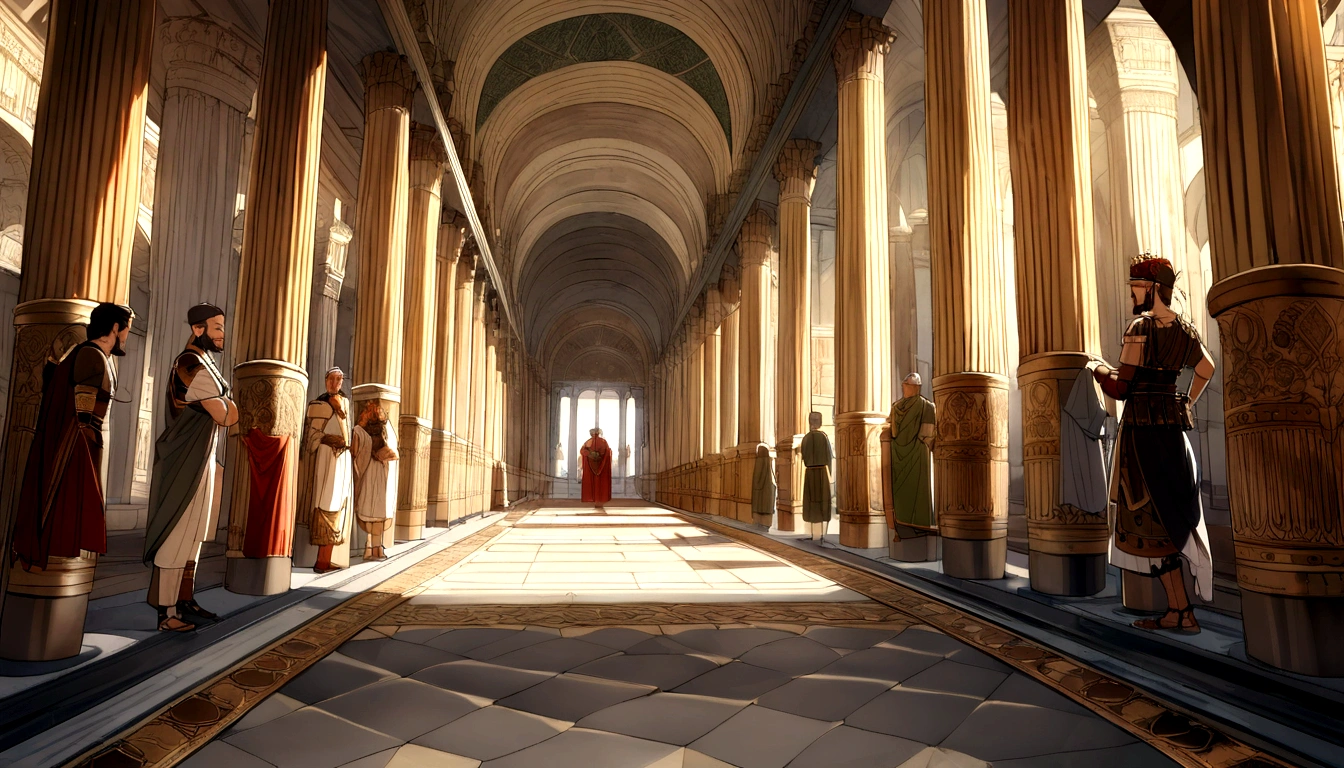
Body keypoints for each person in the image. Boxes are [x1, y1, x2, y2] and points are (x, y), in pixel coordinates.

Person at [1088, 252, 1215, 634]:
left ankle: (1181, 612)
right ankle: (1181, 611)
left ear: (1154, 290)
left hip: (1143, 436)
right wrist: (1186, 401)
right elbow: (1206, 368)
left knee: (1151, 524)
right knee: (1169, 520)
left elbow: (1122, 387)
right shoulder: (1186, 330)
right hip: (1171, 435)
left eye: (1136, 290)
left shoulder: (1140, 328)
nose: (1132, 298)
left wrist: (1097, 369)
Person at [12, 303, 134, 571]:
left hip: (90, 436)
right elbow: (82, 415)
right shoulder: (91, 355)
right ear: (115, 327)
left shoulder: (100, 356)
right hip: (80, 439)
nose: (126, 337)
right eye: (126, 330)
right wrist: (87, 446)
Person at [145, 304, 237, 632]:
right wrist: (227, 405)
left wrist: (224, 405)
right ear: (198, 330)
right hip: (185, 460)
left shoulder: (206, 363)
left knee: (195, 534)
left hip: (203, 458)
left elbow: (223, 408)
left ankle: (184, 600)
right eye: (216, 328)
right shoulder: (190, 363)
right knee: (177, 534)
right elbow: (227, 415)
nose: (222, 334)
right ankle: (167, 612)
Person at [301, 368, 353, 573]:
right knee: (325, 503)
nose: (335, 383)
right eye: (332, 379)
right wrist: (326, 438)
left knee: (339, 505)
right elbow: (311, 434)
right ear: (325, 381)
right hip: (326, 458)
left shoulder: (345, 402)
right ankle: (320, 561)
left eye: (339, 379)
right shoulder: (319, 404)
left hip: (342, 460)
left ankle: (328, 558)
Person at [889, 373, 937, 543]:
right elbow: (928, 435)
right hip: (914, 453)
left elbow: (893, 432)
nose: (904, 387)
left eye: (906, 385)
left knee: (913, 492)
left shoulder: (900, 407)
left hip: (909, 455)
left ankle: (912, 529)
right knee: (910, 493)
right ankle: (911, 528)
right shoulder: (926, 407)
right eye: (904, 384)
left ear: (915, 387)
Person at [352, 400, 397, 561]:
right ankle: (372, 547)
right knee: (371, 511)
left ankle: (374, 547)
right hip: (371, 473)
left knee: (375, 512)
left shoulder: (368, 431)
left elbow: (392, 448)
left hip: (375, 472)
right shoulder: (360, 431)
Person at [800, 412, 833, 541]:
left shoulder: (806, 438)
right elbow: (829, 456)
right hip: (821, 473)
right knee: (822, 502)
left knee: (812, 502)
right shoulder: (824, 437)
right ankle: (822, 535)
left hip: (810, 473)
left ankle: (813, 534)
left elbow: (803, 455)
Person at [580, 427, 612, 507]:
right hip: (602, 467)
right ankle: (600, 502)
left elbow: (582, 451)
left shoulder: (588, 442)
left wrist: (590, 454)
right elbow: (607, 453)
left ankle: (595, 501)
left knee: (594, 483)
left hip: (591, 467)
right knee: (600, 484)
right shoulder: (603, 442)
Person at [750, 443, 776, 527]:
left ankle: (758, 523)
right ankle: (766, 524)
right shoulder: (770, 460)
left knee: (759, 504)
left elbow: (757, 477)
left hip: (759, 490)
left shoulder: (759, 461)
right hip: (769, 488)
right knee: (766, 505)